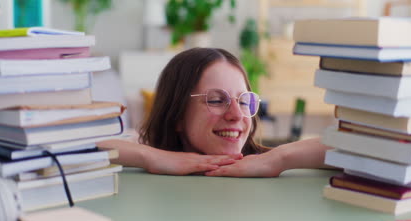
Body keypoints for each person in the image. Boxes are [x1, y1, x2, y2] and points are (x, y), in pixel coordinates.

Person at [98, 48, 331, 177]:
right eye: (217, 100)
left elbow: (360, 146)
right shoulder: (147, 149)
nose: (236, 115)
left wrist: (278, 158)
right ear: (177, 115)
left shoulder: (264, 163)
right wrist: (154, 157)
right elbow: (82, 144)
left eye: (243, 102)